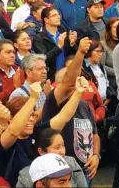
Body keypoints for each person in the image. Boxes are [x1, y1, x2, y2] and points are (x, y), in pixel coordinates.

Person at [42, 39, 101, 184]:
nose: (76, 83)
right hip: (63, 172)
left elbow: (95, 134)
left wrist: (96, 156)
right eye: (73, 80)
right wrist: (80, 53)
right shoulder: (54, 102)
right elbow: (68, 84)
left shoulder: (83, 104)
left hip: (86, 169)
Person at [16, 129, 87, 187]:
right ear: (41, 151)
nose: (63, 152)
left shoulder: (71, 162)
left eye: (63, 145)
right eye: (57, 147)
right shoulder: (25, 175)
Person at [32, 7, 77, 82]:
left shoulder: (65, 33)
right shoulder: (39, 38)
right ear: (46, 20)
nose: (58, 17)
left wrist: (72, 44)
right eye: (54, 15)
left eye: (58, 15)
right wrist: (58, 47)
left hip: (67, 75)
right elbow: (44, 59)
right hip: (50, 78)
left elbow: (72, 55)